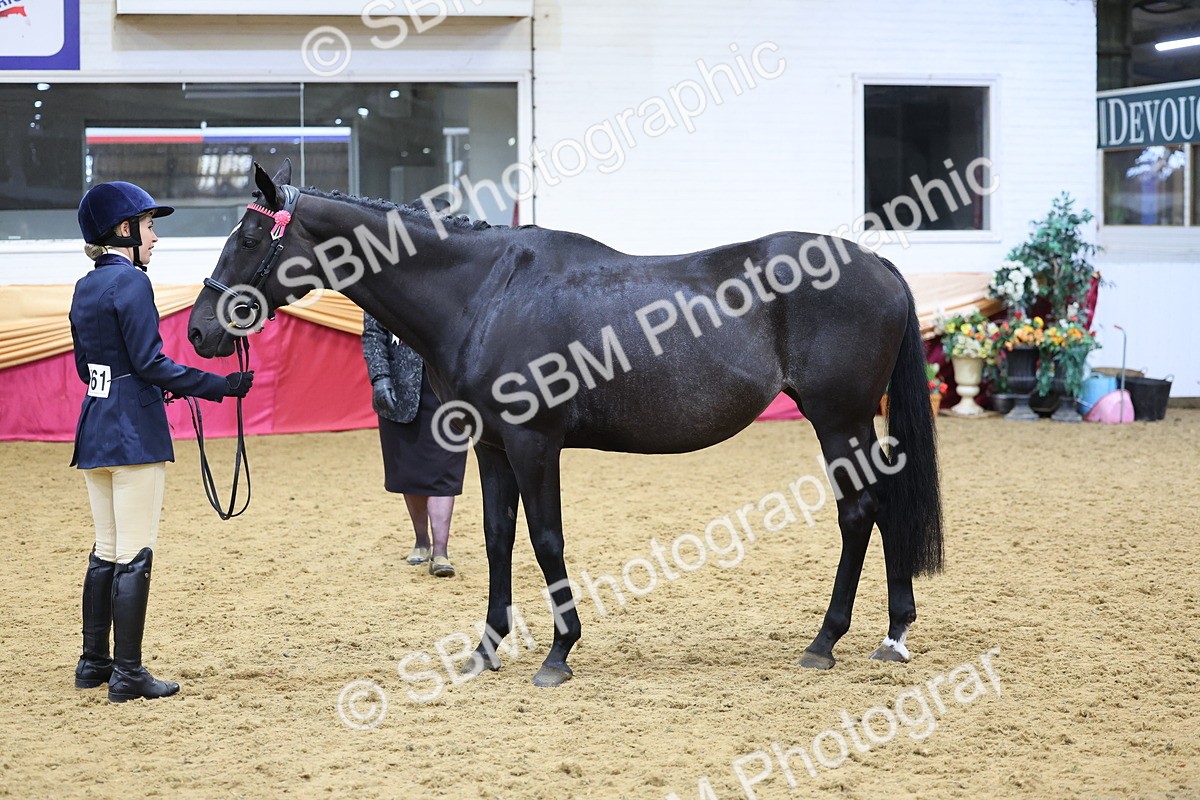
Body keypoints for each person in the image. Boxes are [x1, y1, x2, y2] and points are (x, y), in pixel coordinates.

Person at [71, 181, 255, 703]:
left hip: (96, 430)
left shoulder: (85, 286)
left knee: (105, 550)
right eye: (150, 227)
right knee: (135, 553)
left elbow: (91, 368)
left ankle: (93, 663)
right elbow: (151, 363)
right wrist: (221, 386)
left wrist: (147, 388)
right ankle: (128, 674)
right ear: (125, 230)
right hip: (133, 437)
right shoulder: (132, 284)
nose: (155, 238)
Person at [362, 312, 467, 578]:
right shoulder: (379, 279)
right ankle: (422, 541)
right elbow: (374, 334)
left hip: (449, 389)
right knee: (411, 472)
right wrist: (380, 378)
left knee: (445, 471)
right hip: (401, 388)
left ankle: (441, 552)